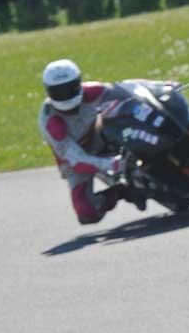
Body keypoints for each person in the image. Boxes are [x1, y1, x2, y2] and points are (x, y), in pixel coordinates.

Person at [39, 59, 154, 224]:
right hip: (75, 159)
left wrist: (160, 88)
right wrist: (111, 164)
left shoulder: (93, 91)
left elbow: (126, 90)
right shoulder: (51, 121)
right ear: (48, 92)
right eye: (58, 92)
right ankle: (121, 191)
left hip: (99, 136)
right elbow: (76, 160)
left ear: (79, 83)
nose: (65, 96)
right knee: (86, 213)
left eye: (70, 88)